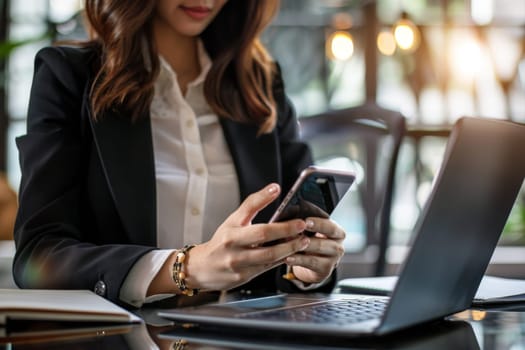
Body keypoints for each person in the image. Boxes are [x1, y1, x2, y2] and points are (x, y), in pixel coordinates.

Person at [13, 0, 346, 308]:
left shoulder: (260, 84)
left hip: (241, 337)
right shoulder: (70, 77)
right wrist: (187, 268)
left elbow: (288, 245)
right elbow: (38, 257)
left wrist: (305, 268)